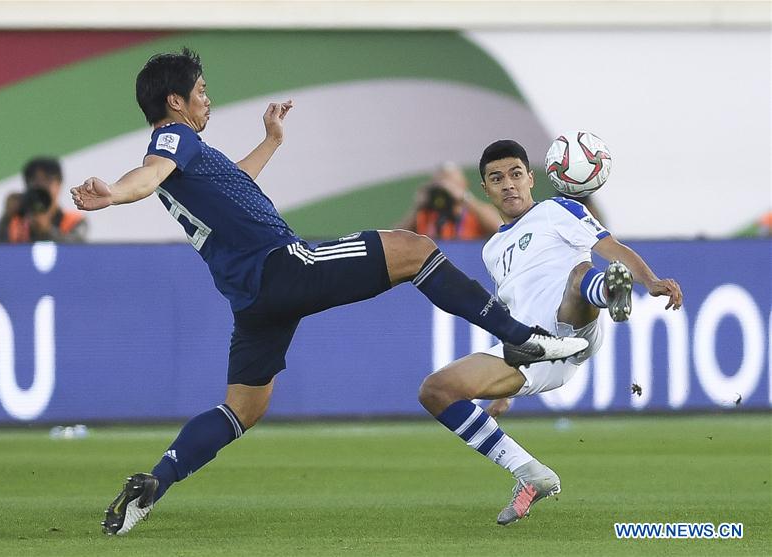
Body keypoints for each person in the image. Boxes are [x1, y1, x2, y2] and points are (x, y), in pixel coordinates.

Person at [70, 50, 589, 536]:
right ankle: (523, 339)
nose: (208, 99)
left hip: (252, 301)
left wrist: (271, 141)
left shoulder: (193, 159)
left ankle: (155, 482)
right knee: (413, 248)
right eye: (201, 91)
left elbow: (233, 184)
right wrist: (114, 192)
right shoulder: (172, 140)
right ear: (174, 102)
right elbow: (147, 173)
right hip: (283, 266)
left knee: (242, 410)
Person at [417, 139, 683, 525]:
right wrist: (505, 393)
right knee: (436, 390)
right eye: (497, 178)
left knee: (577, 274)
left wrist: (651, 281)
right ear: (485, 190)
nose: (508, 184)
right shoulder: (492, 249)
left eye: (515, 174)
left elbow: (611, 247)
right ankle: (531, 473)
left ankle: (611, 291)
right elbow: (509, 310)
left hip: (574, 327)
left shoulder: (560, 210)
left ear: (530, 180)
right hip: (531, 350)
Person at [396, 162, 502, 240]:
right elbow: (397, 238)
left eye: (451, 183)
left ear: (464, 184)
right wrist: (418, 207)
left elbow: (499, 227)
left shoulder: (475, 213)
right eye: (440, 184)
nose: (446, 189)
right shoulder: (426, 215)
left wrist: (465, 198)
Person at [0, 157, 87, 243]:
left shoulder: (74, 220)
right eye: (34, 180)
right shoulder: (16, 220)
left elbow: (76, 251)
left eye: (47, 179)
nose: (41, 185)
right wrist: (7, 216)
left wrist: (46, 231)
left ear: (59, 184)